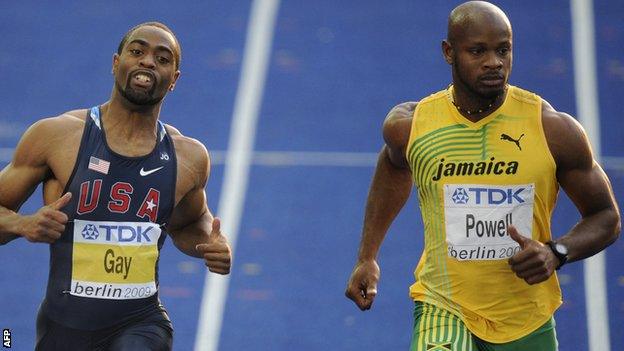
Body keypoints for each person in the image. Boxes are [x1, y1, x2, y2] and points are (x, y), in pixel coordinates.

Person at [345, 1, 620, 350]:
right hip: (443, 306)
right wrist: (367, 256)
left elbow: (606, 216)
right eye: (478, 51)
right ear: (449, 52)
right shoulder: (412, 126)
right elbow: (394, 166)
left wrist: (556, 252)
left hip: (525, 315)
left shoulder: (552, 130)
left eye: (503, 50)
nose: (494, 62)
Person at [0, 22, 231, 350]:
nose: (148, 62)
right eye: (137, 52)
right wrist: (23, 224)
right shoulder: (56, 137)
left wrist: (211, 245)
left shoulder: (188, 157)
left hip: (141, 323)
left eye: (162, 59)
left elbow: (191, 225)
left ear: (174, 80)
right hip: (63, 327)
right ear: (115, 63)